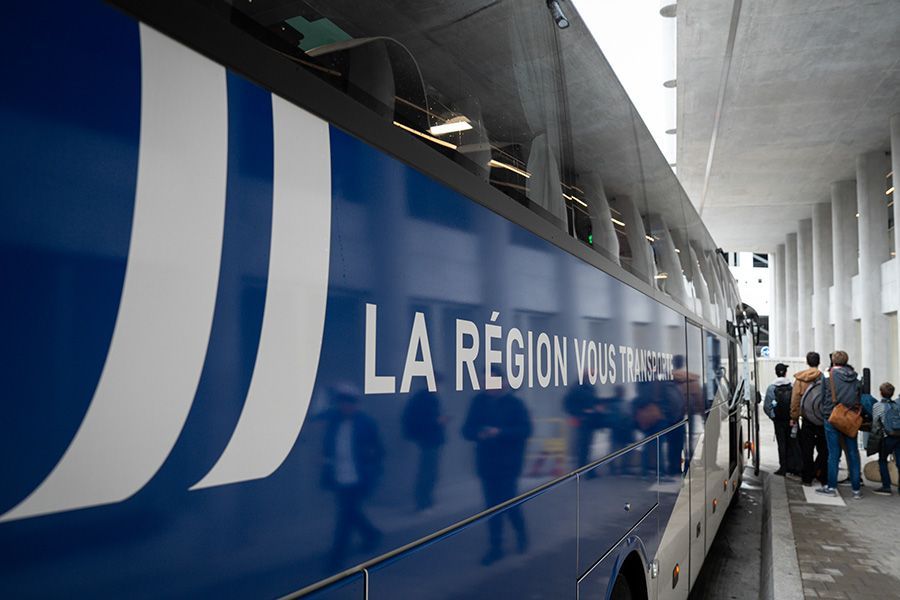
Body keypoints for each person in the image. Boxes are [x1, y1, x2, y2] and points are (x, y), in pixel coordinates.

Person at [462, 368, 532, 566]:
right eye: (484, 382)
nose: (486, 386)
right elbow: (466, 430)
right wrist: (478, 434)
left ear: (503, 382)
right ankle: (496, 547)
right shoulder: (478, 402)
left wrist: (500, 432)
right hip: (487, 463)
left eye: (490, 382)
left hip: (509, 463)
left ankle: (521, 533)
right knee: (491, 506)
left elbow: (525, 430)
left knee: (509, 502)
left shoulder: (515, 404)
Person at [321, 386, 385, 569]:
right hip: (339, 477)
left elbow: (379, 450)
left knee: (345, 516)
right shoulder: (334, 423)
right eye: (343, 403)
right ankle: (371, 534)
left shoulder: (366, 423)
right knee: (351, 512)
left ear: (357, 404)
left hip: (359, 477)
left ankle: (336, 557)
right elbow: (327, 446)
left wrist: (371, 464)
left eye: (350, 403)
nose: (346, 406)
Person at [816, 351, 863, 499]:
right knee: (853, 453)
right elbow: (859, 396)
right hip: (850, 418)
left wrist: (825, 412)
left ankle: (831, 487)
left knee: (834, 454)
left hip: (832, 416)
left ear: (833, 361)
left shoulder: (827, 375)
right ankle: (856, 490)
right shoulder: (855, 376)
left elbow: (823, 397)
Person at [402, 382, 447, 512]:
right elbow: (424, 420)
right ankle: (423, 502)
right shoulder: (426, 398)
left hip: (429, 439)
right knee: (428, 472)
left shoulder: (425, 397)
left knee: (429, 471)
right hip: (429, 439)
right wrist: (438, 421)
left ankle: (426, 501)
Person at [791, 352, 828, 486]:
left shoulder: (800, 379)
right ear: (819, 362)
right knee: (823, 449)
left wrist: (794, 416)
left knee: (807, 449)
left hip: (807, 419)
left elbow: (795, 399)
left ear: (807, 362)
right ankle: (821, 475)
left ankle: (807, 478)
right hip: (822, 418)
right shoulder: (824, 378)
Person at [764, 362, 800, 476]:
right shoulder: (792, 386)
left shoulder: (771, 388)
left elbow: (767, 406)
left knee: (782, 444)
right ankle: (794, 467)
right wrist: (794, 417)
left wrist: (774, 416)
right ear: (785, 373)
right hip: (791, 420)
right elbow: (796, 402)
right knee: (793, 443)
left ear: (776, 373)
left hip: (779, 421)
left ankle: (783, 468)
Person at [872, 382, 900, 496]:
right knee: (899, 462)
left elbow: (875, 423)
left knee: (883, 460)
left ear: (881, 393)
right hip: (898, 436)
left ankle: (886, 486)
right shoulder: (897, 405)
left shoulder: (878, 406)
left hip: (886, 437)